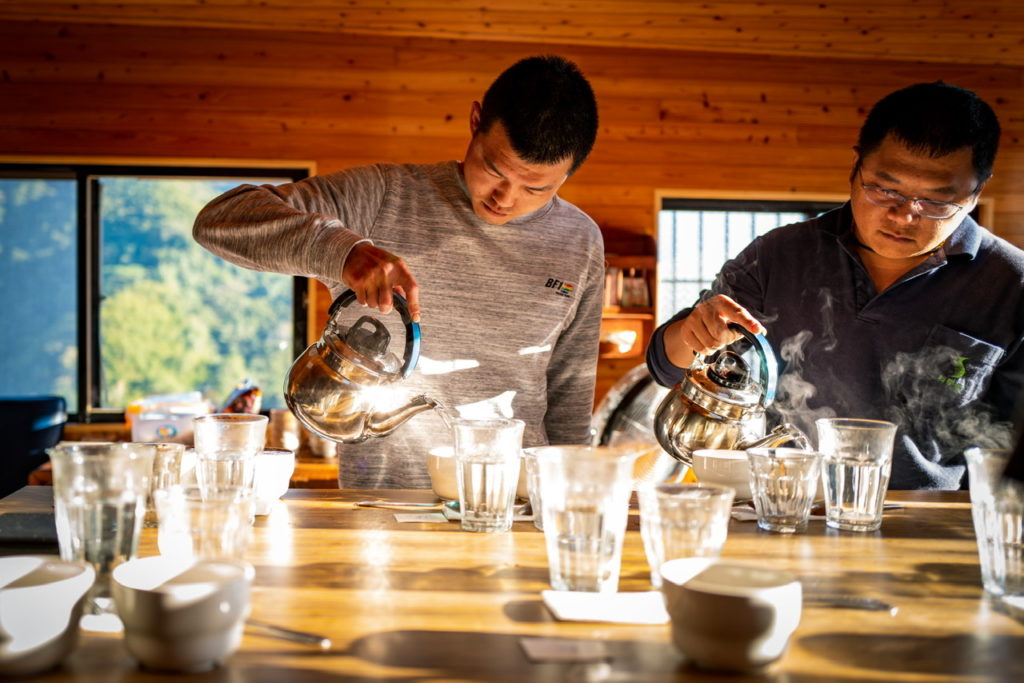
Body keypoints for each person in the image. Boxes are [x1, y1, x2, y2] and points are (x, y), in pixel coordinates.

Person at [194, 55, 603, 489]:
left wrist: (573, 498)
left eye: (536, 188)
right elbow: (219, 220)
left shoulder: (580, 241)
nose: (505, 197)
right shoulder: (383, 197)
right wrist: (342, 251)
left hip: (513, 511)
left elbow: (569, 400)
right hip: (379, 511)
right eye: (493, 169)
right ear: (475, 121)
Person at [647, 82, 1024, 490]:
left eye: (935, 201)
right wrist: (691, 334)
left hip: (929, 525)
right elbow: (666, 366)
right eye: (884, 189)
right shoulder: (779, 255)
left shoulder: (1010, 284)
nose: (903, 216)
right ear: (856, 168)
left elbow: (1011, 451)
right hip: (783, 506)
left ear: (975, 192)